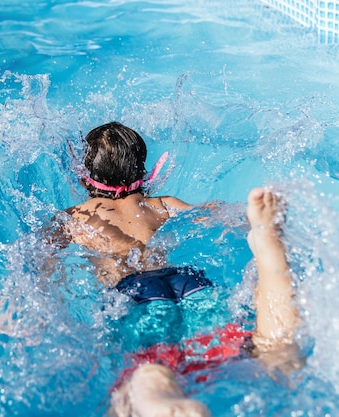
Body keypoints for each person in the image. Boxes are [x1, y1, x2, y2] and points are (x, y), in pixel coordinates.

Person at [60, 122, 300, 417]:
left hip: (137, 293)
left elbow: (39, 250)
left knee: (149, 374)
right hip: (187, 281)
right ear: (141, 170)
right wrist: (246, 218)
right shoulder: (162, 204)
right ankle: (268, 250)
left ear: (86, 177)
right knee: (262, 351)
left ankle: (160, 400)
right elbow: (216, 214)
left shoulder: (76, 215)